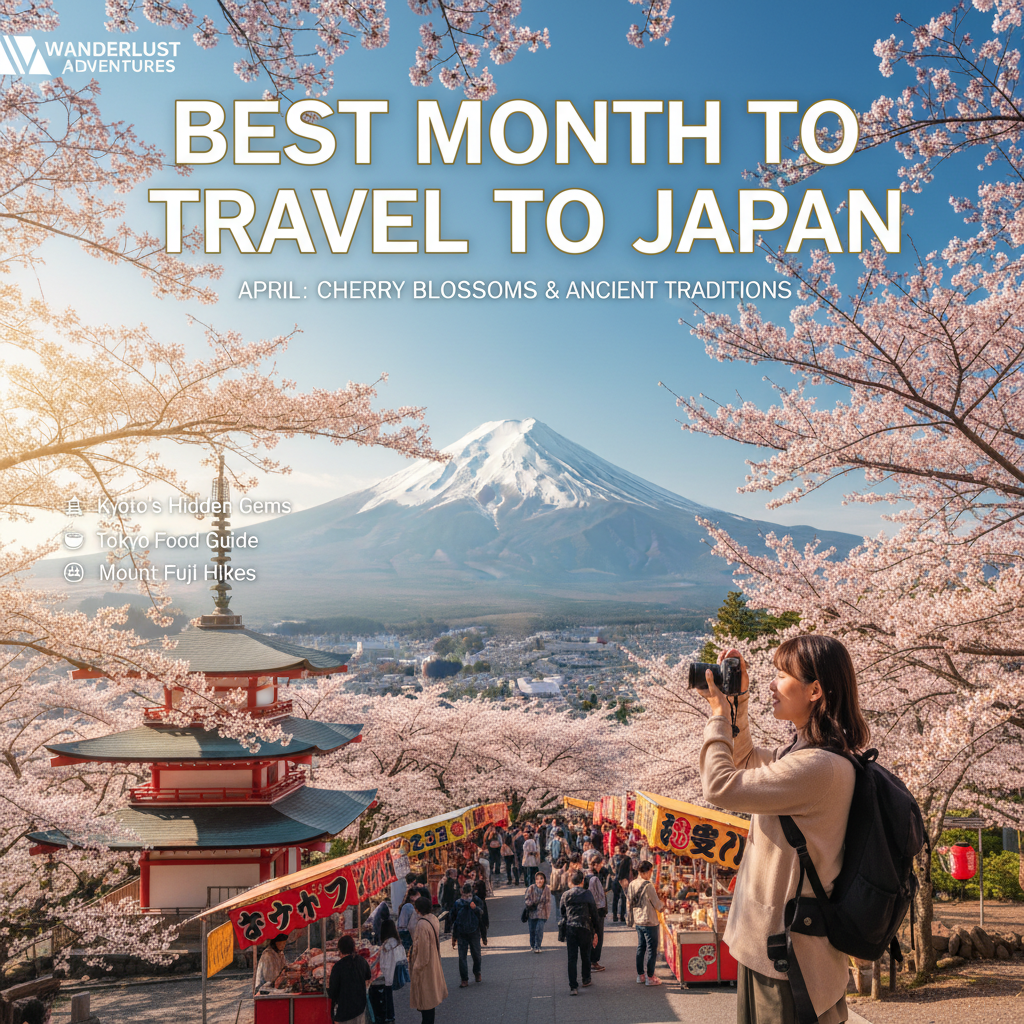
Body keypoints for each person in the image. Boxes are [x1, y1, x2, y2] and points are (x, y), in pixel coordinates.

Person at [699, 639, 868, 1024]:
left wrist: (719, 716)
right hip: (770, 947)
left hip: (788, 960)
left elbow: (721, 785)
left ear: (815, 690)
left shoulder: (818, 767)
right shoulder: (802, 756)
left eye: (781, 675)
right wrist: (736, 703)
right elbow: (742, 760)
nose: (771, 686)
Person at [560, 869, 599, 996]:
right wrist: (596, 931)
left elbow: (562, 912)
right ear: (582, 881)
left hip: (571, 927)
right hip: (585, 927)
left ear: (571, 881)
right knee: (585, 954)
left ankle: (573, 986)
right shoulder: (587, 894)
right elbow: (594, 913)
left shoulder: (566, 894)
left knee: (572, 957)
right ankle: (586, 979)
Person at [409, 895, 448, 1024]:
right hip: (433, 961)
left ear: (418, 909)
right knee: (431, 1001)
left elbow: (423, 951)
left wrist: (416, 968)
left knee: (426, 1002)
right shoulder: (433, 919)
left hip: (426, 967)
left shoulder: (421, 924)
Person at [626, 860, 664, 986]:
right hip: (649, 921)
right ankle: (650, 977)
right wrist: (663, 907)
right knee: (652, 949)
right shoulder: (648, 885)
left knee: (641, 947)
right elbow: (657, 904)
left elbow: (629, 901)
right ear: (647, 872)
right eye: (651, 871)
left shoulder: (632, 884)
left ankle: (640, 975)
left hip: (638, 920)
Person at [328, 934, 372, 1024]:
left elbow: (332, 992)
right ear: (353, 947)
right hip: (360, 1008)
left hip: (344, 1012)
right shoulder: (361, 961)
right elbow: (368, 977)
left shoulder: (338, 967)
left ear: (340, 950)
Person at [450, 882, 484, 987]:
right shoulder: (458, 903)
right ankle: (464, 979)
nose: (467, 898)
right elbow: (453, 919)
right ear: (461, 894)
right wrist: (454, 936)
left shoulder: (477, 900)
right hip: (461, 933)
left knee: (476, 955)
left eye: (469, 896)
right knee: (462, 957)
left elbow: (482, 914)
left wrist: (475, 909)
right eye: (465, 896)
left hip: (474, 932)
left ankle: (477, 972)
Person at [375, 919, 406, 1024]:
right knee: (389, 997)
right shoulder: (397, 942)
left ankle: (389, 1017)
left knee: (387, 998)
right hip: (395, 973)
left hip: (388, 975)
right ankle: (390, 1016)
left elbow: (384, 963)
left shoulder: (387, 945)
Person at [587, 855, 608, 970]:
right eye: (600, 865)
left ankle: (592, 961)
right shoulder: (593, 878)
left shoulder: (587, 875)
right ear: (595, 865)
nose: (601, 867)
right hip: (596, 911)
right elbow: (595, 897)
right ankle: (593, 962)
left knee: (593, 936)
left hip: (592, 911)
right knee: (597, 936)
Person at [524, 870, 551, 952]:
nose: (539, 881)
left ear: (544, 880)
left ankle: (537, 946)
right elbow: (526, 899)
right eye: (537, 879)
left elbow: (548, 903)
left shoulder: (547, 889)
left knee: (539, 930)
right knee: (532, 930)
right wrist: (531, 904)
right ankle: (532, 944)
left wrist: (547, 915)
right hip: (532, 913)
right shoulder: (531, 888)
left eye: (541, 878)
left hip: (542, 913)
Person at [612, 844, 632, 923]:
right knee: (623, 898)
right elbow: (630, 871)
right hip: (624, 880)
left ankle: (614, 916)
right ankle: (622, 916)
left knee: (615, 898)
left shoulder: (614, 858)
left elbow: (612, 869)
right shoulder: (628, 859)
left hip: (616, 879)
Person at [439, 868, 458, 935]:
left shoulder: (445, 881)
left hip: (446, 901)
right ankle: (448, 929)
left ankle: (447, 930)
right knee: (450, 915)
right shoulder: (451, 881)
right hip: (450, 901)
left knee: (447, 915)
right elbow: (451, 892)